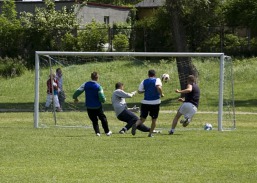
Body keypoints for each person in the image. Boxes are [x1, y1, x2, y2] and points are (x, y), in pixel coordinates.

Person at [73, 72, 112, 136]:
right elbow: (102, 97)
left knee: (94, 120)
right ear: (97, 78)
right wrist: (104, 100)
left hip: (89, 106)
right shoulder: (98, 86)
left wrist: (75, 98)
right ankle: (107, 132)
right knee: (103, 118)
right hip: (97, 106)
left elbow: (77, 92)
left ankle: (97, 132)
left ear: (91, 77)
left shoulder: (85, 84)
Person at [131, 69, 164, 137]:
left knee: (142, 118)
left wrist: (146, 90)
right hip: (155, 102)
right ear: (154, 75)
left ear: (148, 75)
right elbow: (158, 87)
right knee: (154, 120)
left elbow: (139, 91)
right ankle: (150, 134)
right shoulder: (157, 79)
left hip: (145, 102)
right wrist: (161, 94)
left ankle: (136, 125)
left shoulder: (144, 81)